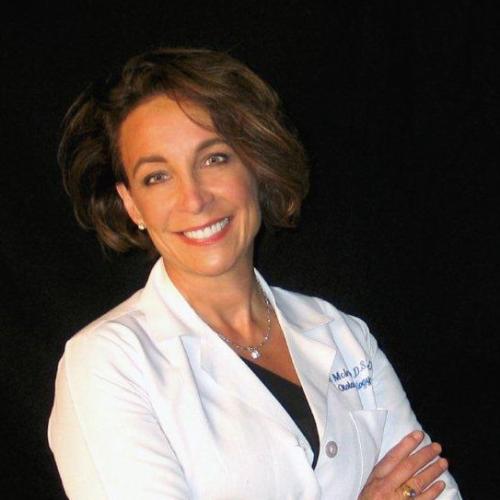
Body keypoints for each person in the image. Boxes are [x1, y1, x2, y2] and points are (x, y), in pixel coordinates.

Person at [48, 47, 461, 500]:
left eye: (214, 158)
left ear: (255, 165)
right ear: (132, 204)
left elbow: (434, 489)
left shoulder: (341, 333)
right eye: (157, 177)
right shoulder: (106, 363)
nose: (194, 199)